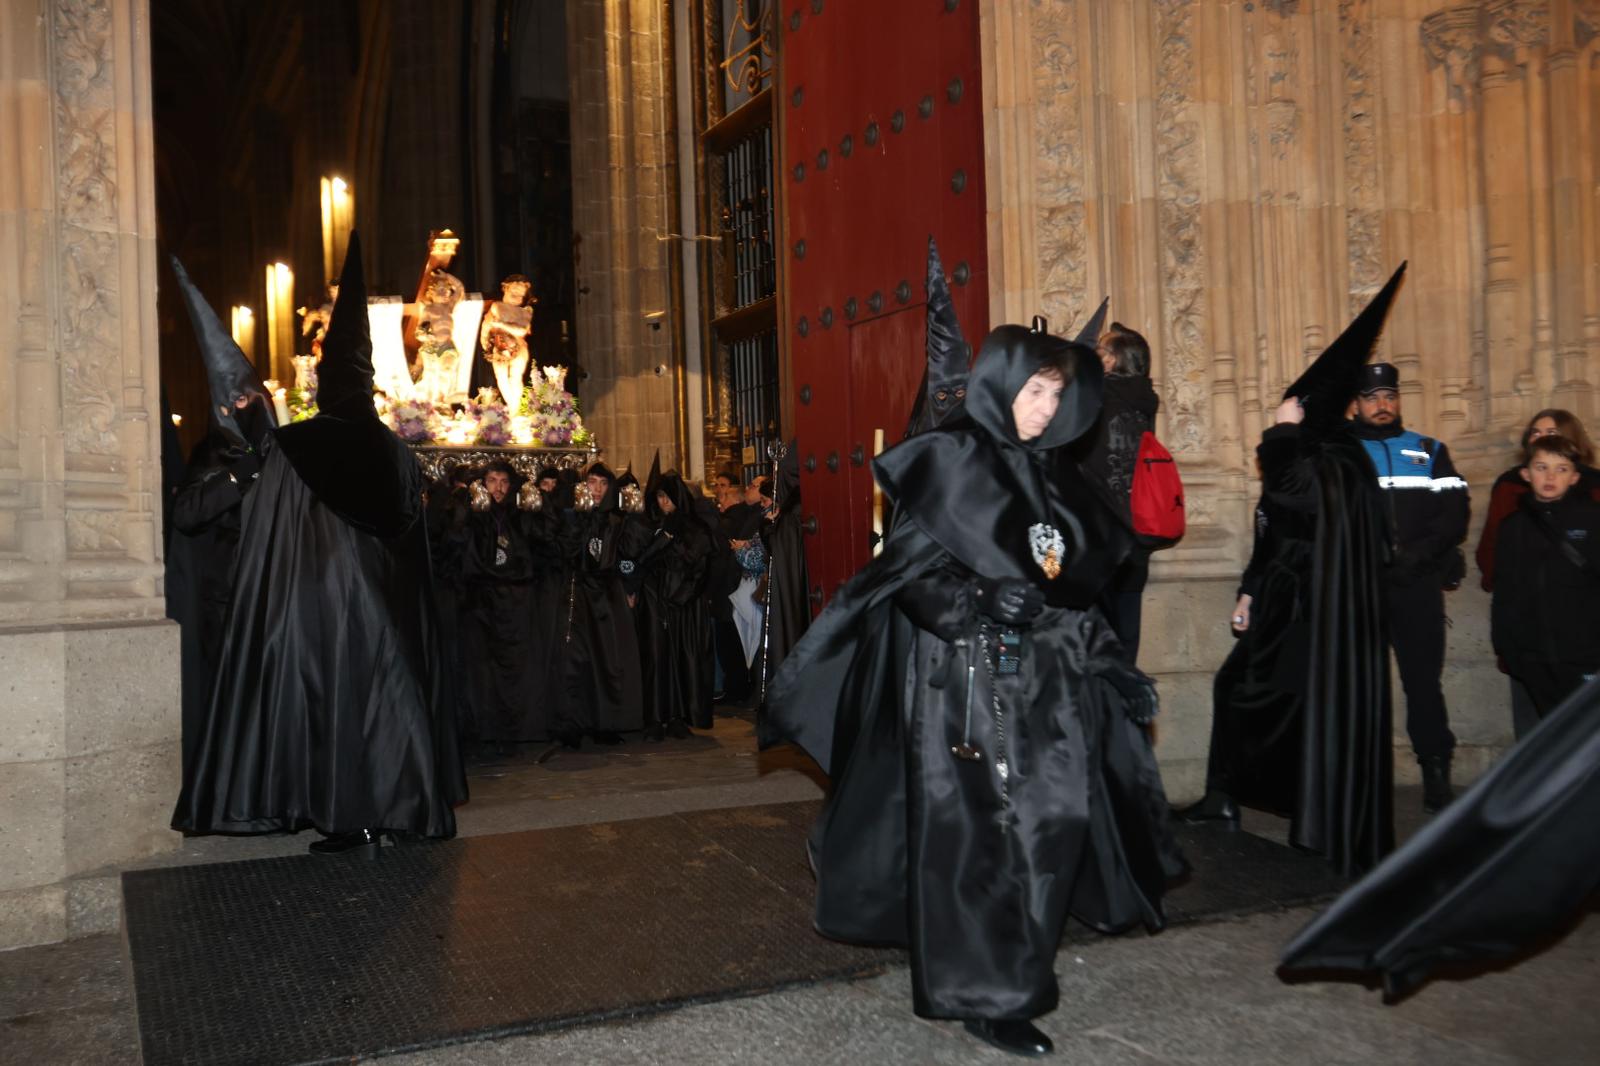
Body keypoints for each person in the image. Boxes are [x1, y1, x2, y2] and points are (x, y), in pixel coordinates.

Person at [763, 322, 1182, 1059]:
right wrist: (977, 600)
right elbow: (909, 578)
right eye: (1033, 390)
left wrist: (1114, 664)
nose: (1045, 409)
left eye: (1056, 393)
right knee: (985, 841)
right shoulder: (948, 463)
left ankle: (1011, 965)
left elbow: (1071, 595)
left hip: (1046, 690)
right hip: (962, 683)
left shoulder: (1060, 480)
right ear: (1000, 385)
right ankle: (994, 994)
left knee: (1054, 823)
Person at [172, 233, 466, 855]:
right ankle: (404, 810)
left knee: (338, 706)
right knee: (390, 703)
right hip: (392, 608)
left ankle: (350, 817)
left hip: (326, 609)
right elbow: (418, 534)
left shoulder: (299, 444)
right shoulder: (396, 451)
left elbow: (270, 531)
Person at [1177, 265, 1405, 879]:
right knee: (1238, 689)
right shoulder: (1323, 454)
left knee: (1290, 706)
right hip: (1282, 601)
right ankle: (1226, 798)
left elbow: (1291, 489)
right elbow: (1272, 525)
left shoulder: (1336, 458)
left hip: (1317, 612)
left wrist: (1281, 431)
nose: (1287, 407)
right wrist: (1250, 592)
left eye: (1297, 402)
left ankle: (1313, 815)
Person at [164, 255, 278, 794]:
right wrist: (240, 475)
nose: (243, 405)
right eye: (234, 399)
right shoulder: (212, 453)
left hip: (268, 602)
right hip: (221, 604)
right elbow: (188, 513)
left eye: (251, 396)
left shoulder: (278, 451)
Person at [1350, 362, 1470, 811]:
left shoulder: (1428, 448)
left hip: (1416, 585)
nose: (1383, 406)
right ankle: (1363, 777)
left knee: (1423, 683)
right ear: (1355, 405)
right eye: (1372, 397)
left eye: (1389, 396)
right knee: (1363, 685)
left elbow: (1454, 512)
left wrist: (1418, 557)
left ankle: (1435, 770)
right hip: (1362, 587)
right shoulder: (1343, 454)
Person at [1474, 409, 1600, 738]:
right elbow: (1506, 591)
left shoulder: (1592, 519)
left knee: (1585, 739)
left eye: (1561, 470)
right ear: (1526, 473)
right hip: (1533, 656)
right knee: (1547, 741)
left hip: (1584, 654)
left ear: (1575, 476)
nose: (1550, 477)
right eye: (1541, 468)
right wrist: (1508, 647)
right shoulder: (1514, 526)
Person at [453, 461, 553, 752]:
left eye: (504, 481)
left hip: (517, 601)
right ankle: (485, 730)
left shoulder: (519, 514)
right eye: (492, 480)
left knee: (519, 668)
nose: (498, 487)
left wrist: (539, 502)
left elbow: (545, 539)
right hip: (482, 602)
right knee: (483, 670)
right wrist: (466, 508)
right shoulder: (476, 514)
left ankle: (520, 728)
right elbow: (456, 546)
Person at [1080, 322, 1160, 663]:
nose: (1094, 355)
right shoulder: (1144, 401)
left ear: (1111, 362)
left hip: (1097, 545)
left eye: (1099, 350)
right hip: (1135, 545)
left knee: (1091, 652)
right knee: (1125, 650)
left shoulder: (1094, 399)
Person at [553, 462, 646, 747]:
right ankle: (573, 724)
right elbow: (564, 552)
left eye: (603, 483)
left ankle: (606, 722)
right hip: (578, 594)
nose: (596, 489)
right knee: (576, 660)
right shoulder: (574, 516)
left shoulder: (618, 519)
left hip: (607, 597)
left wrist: (630, 587)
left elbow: (629, 556)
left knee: (608, 659)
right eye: (592, 482)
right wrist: (577, 521)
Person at [635, 470, 715, 738]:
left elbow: (700, 567)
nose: (664, 503)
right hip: (658, 603)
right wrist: (663, 539)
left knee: (685, 661)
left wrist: (680, 597)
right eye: (659, 497)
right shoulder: (655, 525)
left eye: (668, 497)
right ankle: (657, 717)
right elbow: (644, 560)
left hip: (686, 605)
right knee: (659, 660)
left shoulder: (696, 528)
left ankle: (681, 717)